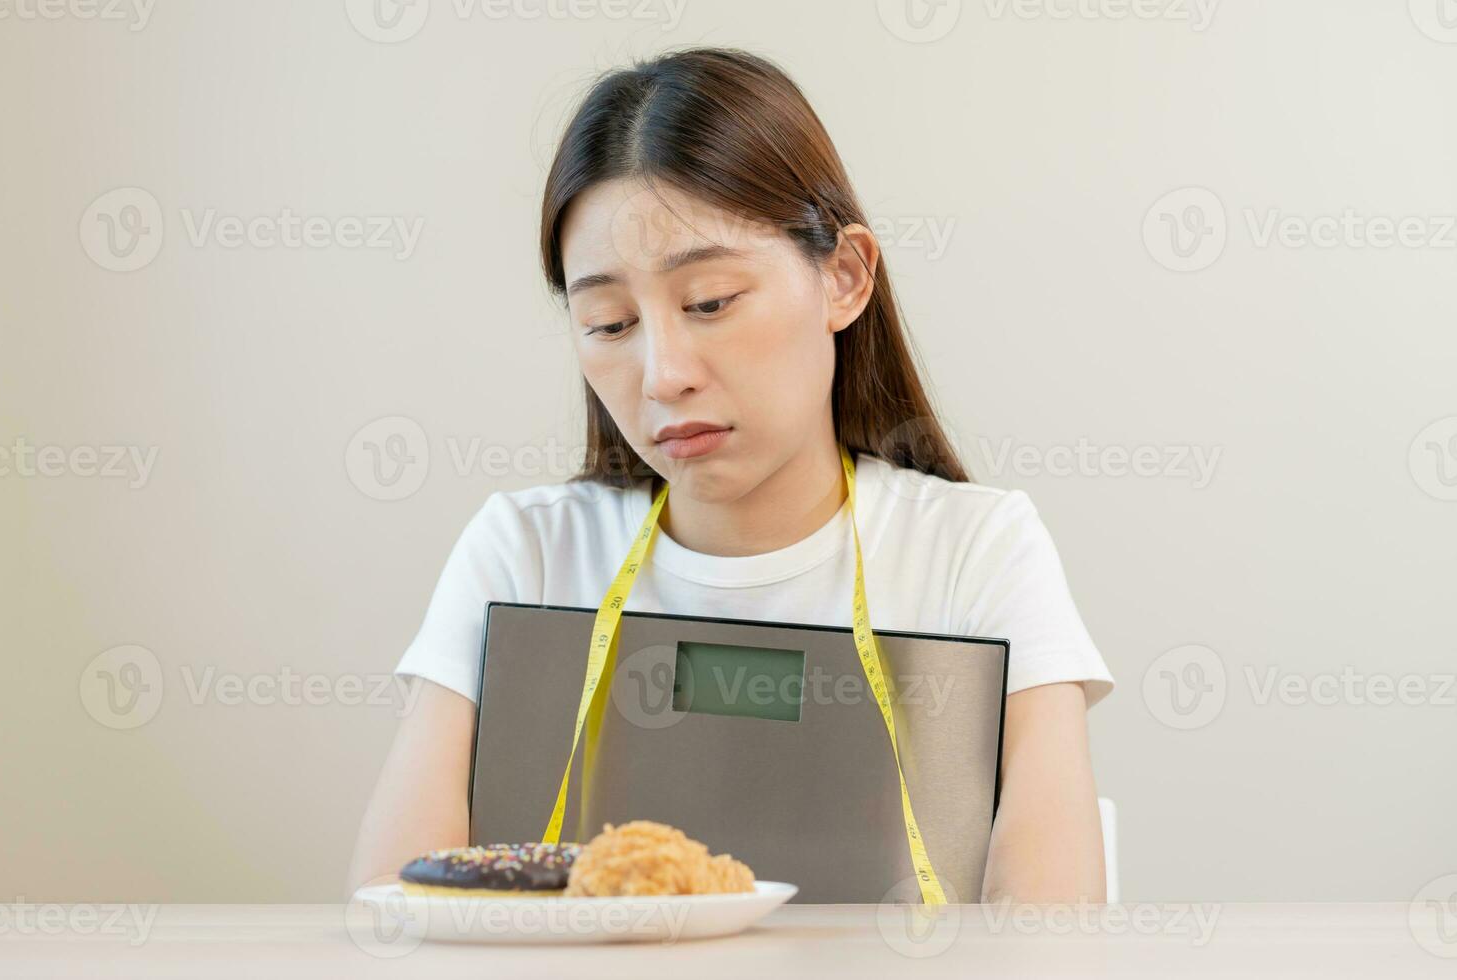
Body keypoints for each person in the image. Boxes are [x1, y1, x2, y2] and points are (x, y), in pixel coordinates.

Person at [348, 46, 1114, 903]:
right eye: (607, 322)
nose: (662, 373)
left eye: (709, 303)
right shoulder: (523, 554)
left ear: (844, 277)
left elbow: (1049, 931)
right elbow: (393, 904)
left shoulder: (975, 551)